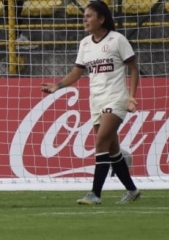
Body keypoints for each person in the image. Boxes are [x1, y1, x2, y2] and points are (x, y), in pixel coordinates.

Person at [42, 0, 141, 205]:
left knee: (101, 142)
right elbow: (76, 72)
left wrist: (131, 96)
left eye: (89, 16)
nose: (84, 20)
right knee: (111, 148)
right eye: (84, 16)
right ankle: (132, 190)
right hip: (96, 100)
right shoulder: (85, 44)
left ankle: (95, 194)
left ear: (101, 19)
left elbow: (133, 68)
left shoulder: (117, 40)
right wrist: (57, 85)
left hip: (116, 98)